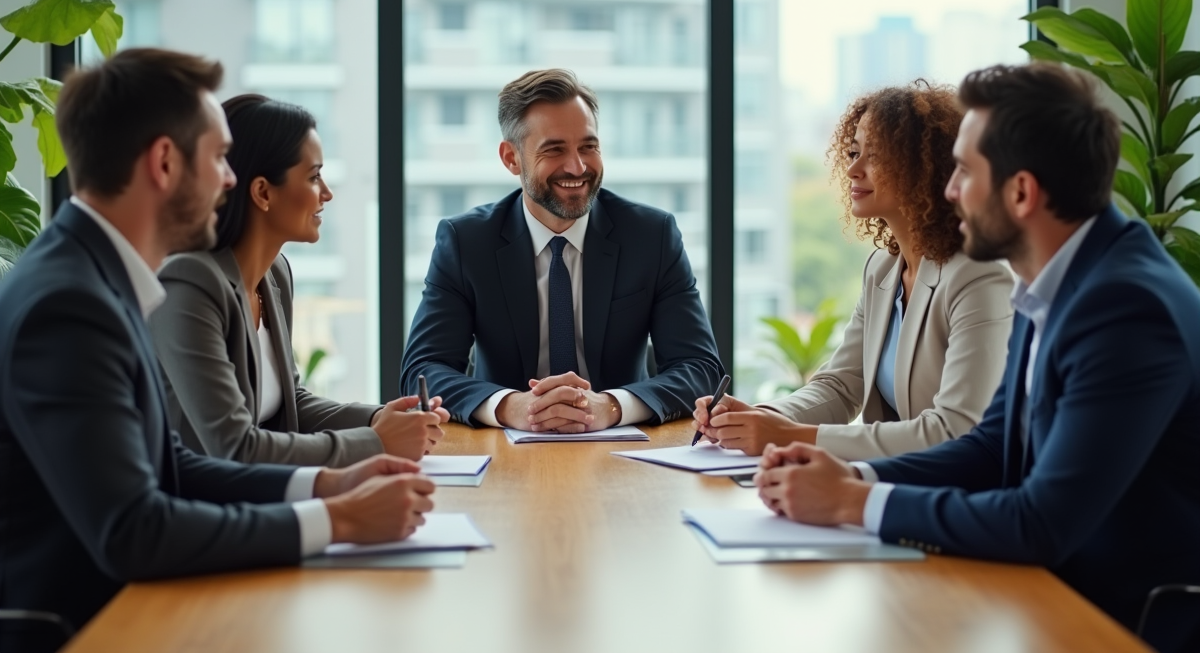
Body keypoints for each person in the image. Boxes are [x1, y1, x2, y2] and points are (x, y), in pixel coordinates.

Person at [753, 63, 1200, 653]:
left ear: (1021, 193)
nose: (948, 190)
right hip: (1047, 596)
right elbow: (991, 448)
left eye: (964, 171)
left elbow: (1040, 522)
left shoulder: (1125, 307)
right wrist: (849, 476)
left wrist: (852, 502)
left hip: (1122, 622)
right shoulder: (1057, 282)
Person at [0, 49, 435, 651]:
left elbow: (171, 464)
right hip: (91, 627)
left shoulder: (95, 275)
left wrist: (327, 486)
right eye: (217, 158)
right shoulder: (70, 305)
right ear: (164, 163)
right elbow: (134, 530)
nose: (230, 179)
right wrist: (338, 520)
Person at [693, 82, 1013, 459]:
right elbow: (841, 387)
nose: (852, 170)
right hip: (890, 478)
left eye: (875, 156)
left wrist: (789, 436)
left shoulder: (978, 278)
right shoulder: (882, 269)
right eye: (854, 152)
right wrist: (759, 417)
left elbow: (955, 430)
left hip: (954, 486)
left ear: (927, 168)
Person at [402, 68, 722, 432]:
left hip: (624, 445)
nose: (577, 166)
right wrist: (509, 406)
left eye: (588, 147)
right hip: (503, 451)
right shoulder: (466, 242)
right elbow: (422, 371)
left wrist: (611, 406)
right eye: (554, 149)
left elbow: (700, 368)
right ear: (511, 158)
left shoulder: (651, 236)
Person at [151, 94, 447, 467]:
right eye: (313, 177)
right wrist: (376, 441)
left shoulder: (275, 273)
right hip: (199, 497)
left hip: (263, 490)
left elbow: (292, 403)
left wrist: (381, 418)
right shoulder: (188, 285)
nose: (327, 193)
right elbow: (233, 447)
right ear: (263, 192)